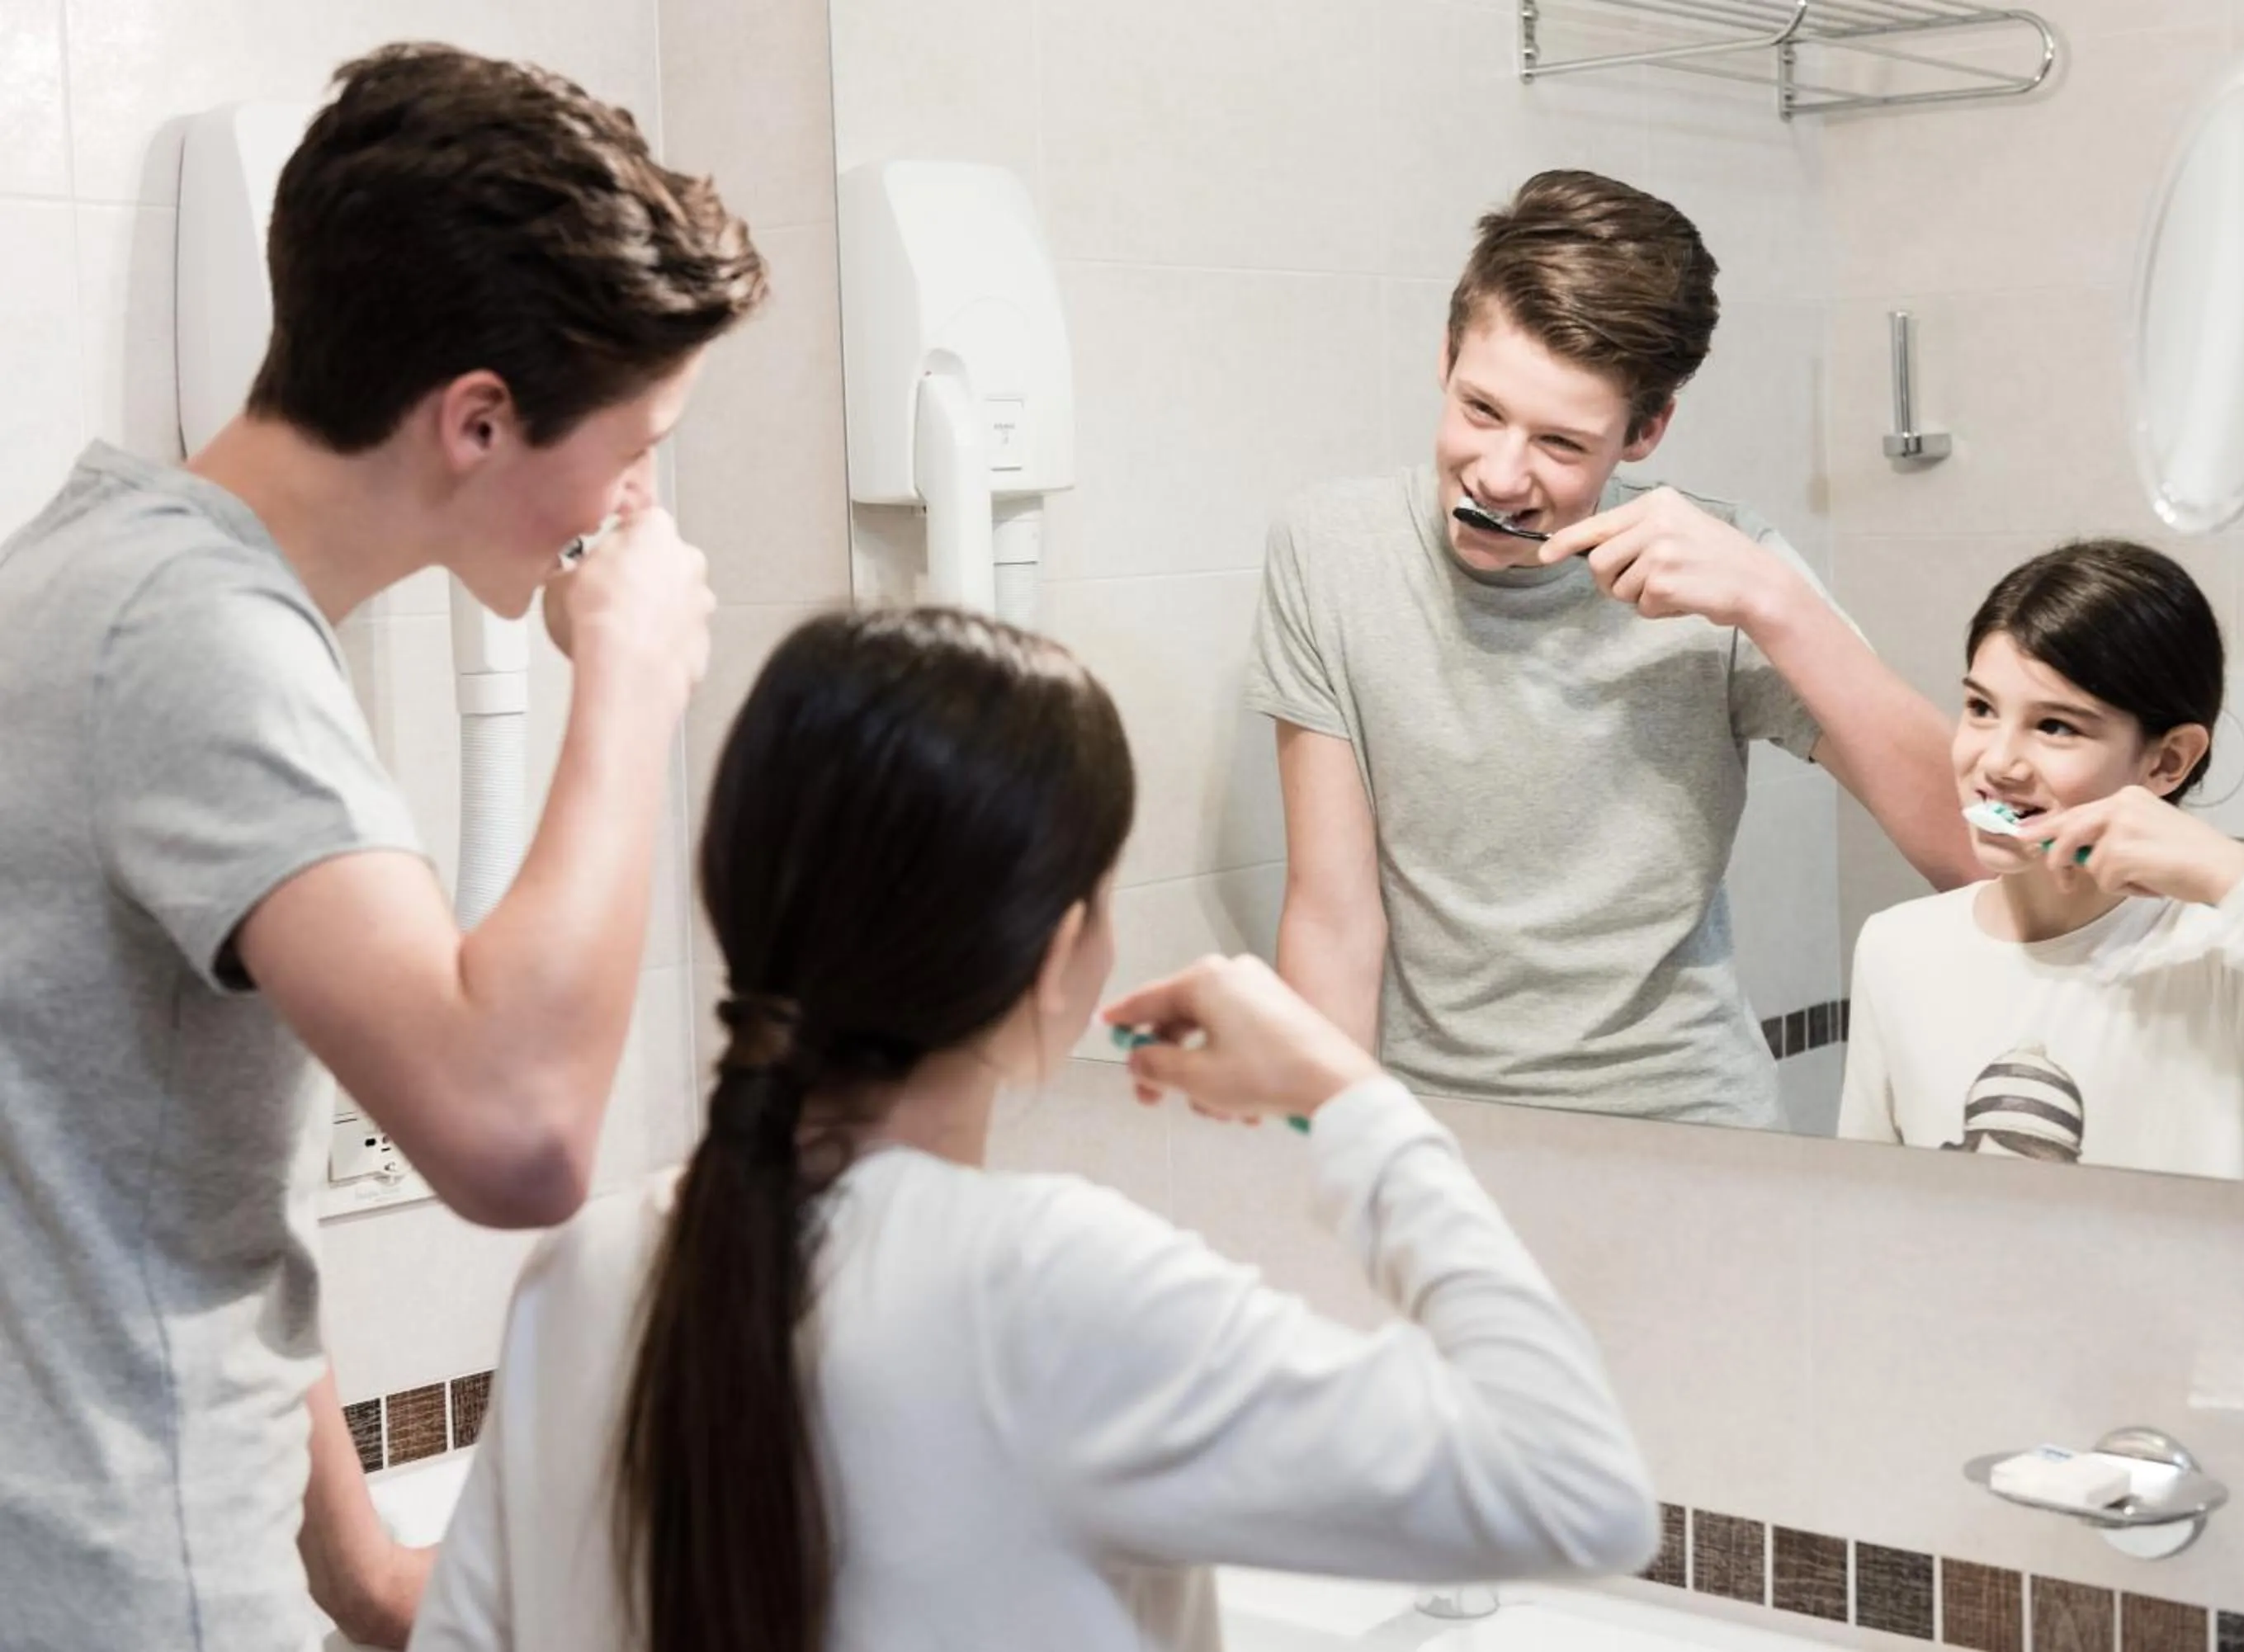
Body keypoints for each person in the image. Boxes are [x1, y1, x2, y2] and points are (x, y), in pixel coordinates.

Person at [408, 609, 1657, 1652]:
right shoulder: (1049, 1290)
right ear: (1061, 953)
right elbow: (1578, 1487)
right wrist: (1351, 1100)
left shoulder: (582, 1273)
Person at [0, 43, 767, 1652]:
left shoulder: (95, 568)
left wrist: (358, 1571)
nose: (638, 501)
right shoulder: (204, 647)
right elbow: (518, 1135)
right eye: (634, 446)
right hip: (139, 1591)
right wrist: (628, 682)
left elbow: (175, 1191)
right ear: (479, 419)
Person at [1245, 168, 1977, 1129]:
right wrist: (1329, 1161)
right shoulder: (1330, 554)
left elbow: (1969, 848)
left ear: (1647, 430)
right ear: (1445, 355)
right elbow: (1334, 920)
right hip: (1442, 1134)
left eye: (1559, 443)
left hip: (1691, 1137)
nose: (1501, 475)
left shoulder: (1726, 574)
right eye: (1480, 410)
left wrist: (1773, 603)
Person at [1837, 540, 2244, 1179]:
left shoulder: (2231, 964)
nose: (1997, 763)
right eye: (1981, 708)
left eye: (2056, 726)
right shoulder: (1897, 949)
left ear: (2167, 761)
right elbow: (1867, 1204)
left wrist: (2236, 880)